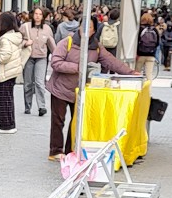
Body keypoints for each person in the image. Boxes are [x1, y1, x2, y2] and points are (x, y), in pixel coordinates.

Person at [45, 12, 136, 161]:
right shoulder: (66, 42)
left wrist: (131, 72)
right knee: (58, 121)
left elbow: (111, 62)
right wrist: (78, 67)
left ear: (94, 30)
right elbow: (55, 62)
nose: (85, 29)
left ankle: (69, 151)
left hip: (79, 91)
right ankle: (55, 150)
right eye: (83, 26)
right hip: (60, 89)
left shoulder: (97, 47)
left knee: (76, 122)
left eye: (89, 27)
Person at [0, 11, 26, 134]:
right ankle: (10, 123)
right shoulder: (15, 36)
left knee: (3, 99)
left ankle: (6, 125)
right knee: (8, 99)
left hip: (6, 71)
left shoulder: (5, 39)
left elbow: (4, 56)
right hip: (13, 70)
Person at [21, 9, 53, 118]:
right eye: (36, 14)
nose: (38, 16)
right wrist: (25, 43)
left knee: (39, 82)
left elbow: (51, 44)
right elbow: (18, 40)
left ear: (43, 16)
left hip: (41, 58)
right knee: (28, 83)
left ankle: (41, 107)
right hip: (29, 57)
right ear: (32, 15)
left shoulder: (47, 29)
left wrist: (58, 56)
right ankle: (27, 106)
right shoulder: (25, 27)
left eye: (40, 14)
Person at [135, 13, 160, 81]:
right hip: (151, 55)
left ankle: (138, 89)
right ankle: (148, 90)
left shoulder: (140, 29)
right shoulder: (154, 30)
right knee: (149, 75)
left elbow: (136, 42)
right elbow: (157, 43)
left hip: (140, 55)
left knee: (137, 73)